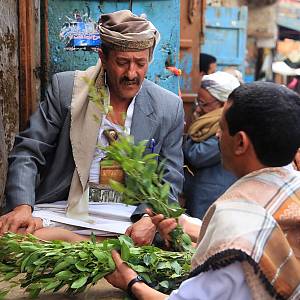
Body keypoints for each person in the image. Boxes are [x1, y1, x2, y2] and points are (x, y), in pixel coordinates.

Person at [1, 10, 184, 246]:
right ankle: (87, 242)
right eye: (122, 62)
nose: (131, 73)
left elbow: (171, 177)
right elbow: (29, 150)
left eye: (140, 63)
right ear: (103, 58)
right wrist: (22, 207)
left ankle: (75, 242)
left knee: (172, 234)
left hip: (128, 216)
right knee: (12, 236)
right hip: (64, 209)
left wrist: (149, 219)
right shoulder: (68, 89)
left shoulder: (169, 107)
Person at [105, 82, 300, 300]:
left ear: (240, 143)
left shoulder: (236, 222)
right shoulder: (293, 188)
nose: (217, 135)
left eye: (222, 128)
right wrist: (183, 227)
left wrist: (132, 282)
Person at [183, 71, 239, 219]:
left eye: (204, 104)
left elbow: (197, 155)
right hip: (200, 194)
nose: (199, 108)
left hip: (212, 197)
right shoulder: (207, 123)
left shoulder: (228, 127)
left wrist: (183, 141)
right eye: (198, 102)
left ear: (222, 104)